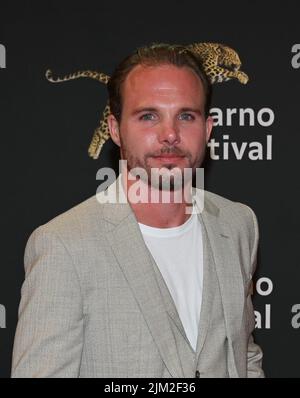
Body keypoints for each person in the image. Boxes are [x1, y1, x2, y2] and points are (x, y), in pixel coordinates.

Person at [11, 43, 264, 378]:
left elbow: (244, 357)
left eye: (186, 116)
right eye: (148, 116)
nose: (170, 135)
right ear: (115, 129)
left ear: (207, 129)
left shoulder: (238, 225)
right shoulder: (64, 245)